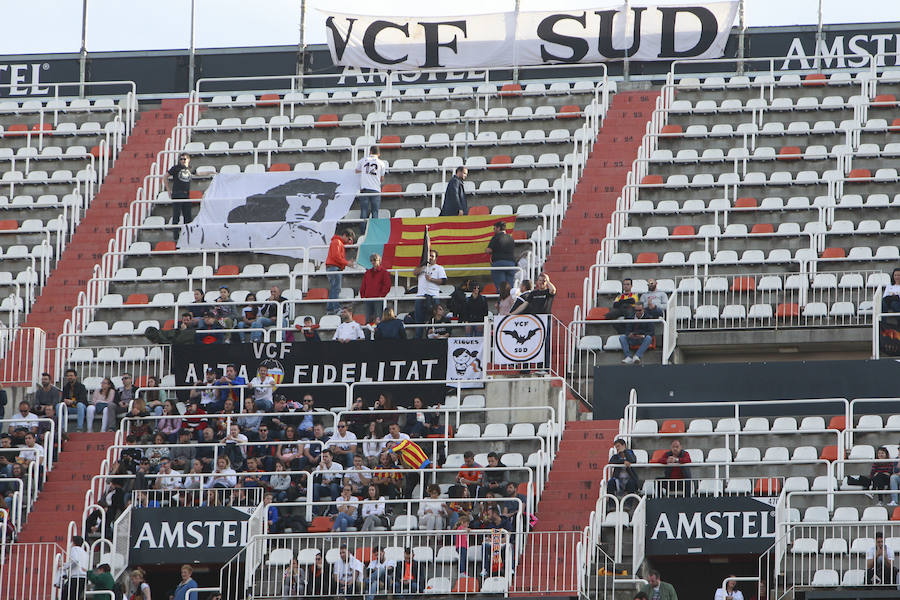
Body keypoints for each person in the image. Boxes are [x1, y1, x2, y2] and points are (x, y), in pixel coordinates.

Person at [413, 249, 447, 338]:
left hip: (433, 296)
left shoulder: (439, 268)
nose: (430, 257)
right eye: (429, 255)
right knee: (419, 320)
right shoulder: (422, 267)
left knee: (433, 319)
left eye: (432, 256)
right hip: (420, 296)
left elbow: (443, 281)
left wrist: (431, 279)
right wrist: (423, 266)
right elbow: (414, 272)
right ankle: (418, 339)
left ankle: (432, 338)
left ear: (436, 258)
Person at [355, 146, 388, 228]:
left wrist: (364, 172)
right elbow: (382, 178)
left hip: (365, 189)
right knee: (375, 212)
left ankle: (363, 231)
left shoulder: (363, 160)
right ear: (379, 154)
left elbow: (356, 170)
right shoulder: (381, 163)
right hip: (375, 189)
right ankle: (374, 231)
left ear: (370, 152)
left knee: (364, 211)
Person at [326, 229, 357, 314]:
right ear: (344, 235)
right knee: (336, 289)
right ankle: (335, 308)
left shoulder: (337, 242)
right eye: (349, 239)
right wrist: (347, 263)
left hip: (333, 267)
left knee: (334, 288)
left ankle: (330, 309)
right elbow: (336, 257)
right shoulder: (337, 242)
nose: (349, 241)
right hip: (334, 267)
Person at [167, 152, 193, 240]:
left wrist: (212, 172)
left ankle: (187, 236)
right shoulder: (175, 168)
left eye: (184, 159)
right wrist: (168, 189)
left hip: (186, 194)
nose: (182, 161)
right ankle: (176, 236)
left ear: (188, 160)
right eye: (181, 159)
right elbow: (165, 177)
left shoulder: (190, 168)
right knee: (176, 216)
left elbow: (199, 173)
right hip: (177, 194)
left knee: (188, 217)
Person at [360, 253, 391, 324]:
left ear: (379, 260)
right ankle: (368, 335)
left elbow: (387, 285)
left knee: (379, 318)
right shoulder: (367, 273)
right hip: (368, 299)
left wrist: (381, 295)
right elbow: (363, 285)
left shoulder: (384, 272)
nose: (373, 262)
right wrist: (363, 296)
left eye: (374, 260)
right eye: (371, 260)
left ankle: (378, 335)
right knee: (368, 319)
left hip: (378, 299)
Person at [487, 221, 517, 290]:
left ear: (498, 228)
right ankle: (510, 300)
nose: (493, 230)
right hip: (511, 263)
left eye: (494, 228)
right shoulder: (510, 238)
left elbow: (489, 250)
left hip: (499, 263)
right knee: (510, 287)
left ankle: (502, 300)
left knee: (501, 288)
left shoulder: (495, 237)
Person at [63, 535, 89, 600]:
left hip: (76, 576)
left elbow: (75, 560)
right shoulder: (85, 552)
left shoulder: (74, 549)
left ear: (73, 542)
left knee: (66, 595)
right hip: (84, 577)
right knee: (75, 596)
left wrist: (65, 567)